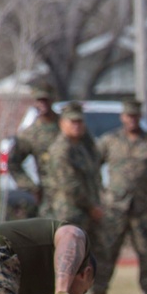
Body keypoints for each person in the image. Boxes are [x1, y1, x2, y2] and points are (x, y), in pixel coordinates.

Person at [92, 99, 147, 294]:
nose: (132, 120)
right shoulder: (110, 141)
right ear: (123, 117)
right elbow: (92, 168)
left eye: (136, 116)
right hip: (115, 207)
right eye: (128, 116)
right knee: (107, 253)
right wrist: (100, 195)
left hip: (144, 207)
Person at [43, 102, 104, 253]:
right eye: (72, 122)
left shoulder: (81, 146)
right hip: (70, 213)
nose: (77, 126)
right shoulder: (61, 149)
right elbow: (70, 185)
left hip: (86, 213)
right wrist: (92, 207)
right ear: (62, 123)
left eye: (80, 122)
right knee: (70, 257)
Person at [7, 85, 60, 218]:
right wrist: (31, 187)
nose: (43, 104)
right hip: (48, 195)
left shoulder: (66, 126)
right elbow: (13, 162)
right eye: (39, 101)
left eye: (46, 100)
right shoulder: (31, 133)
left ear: (53, 100)